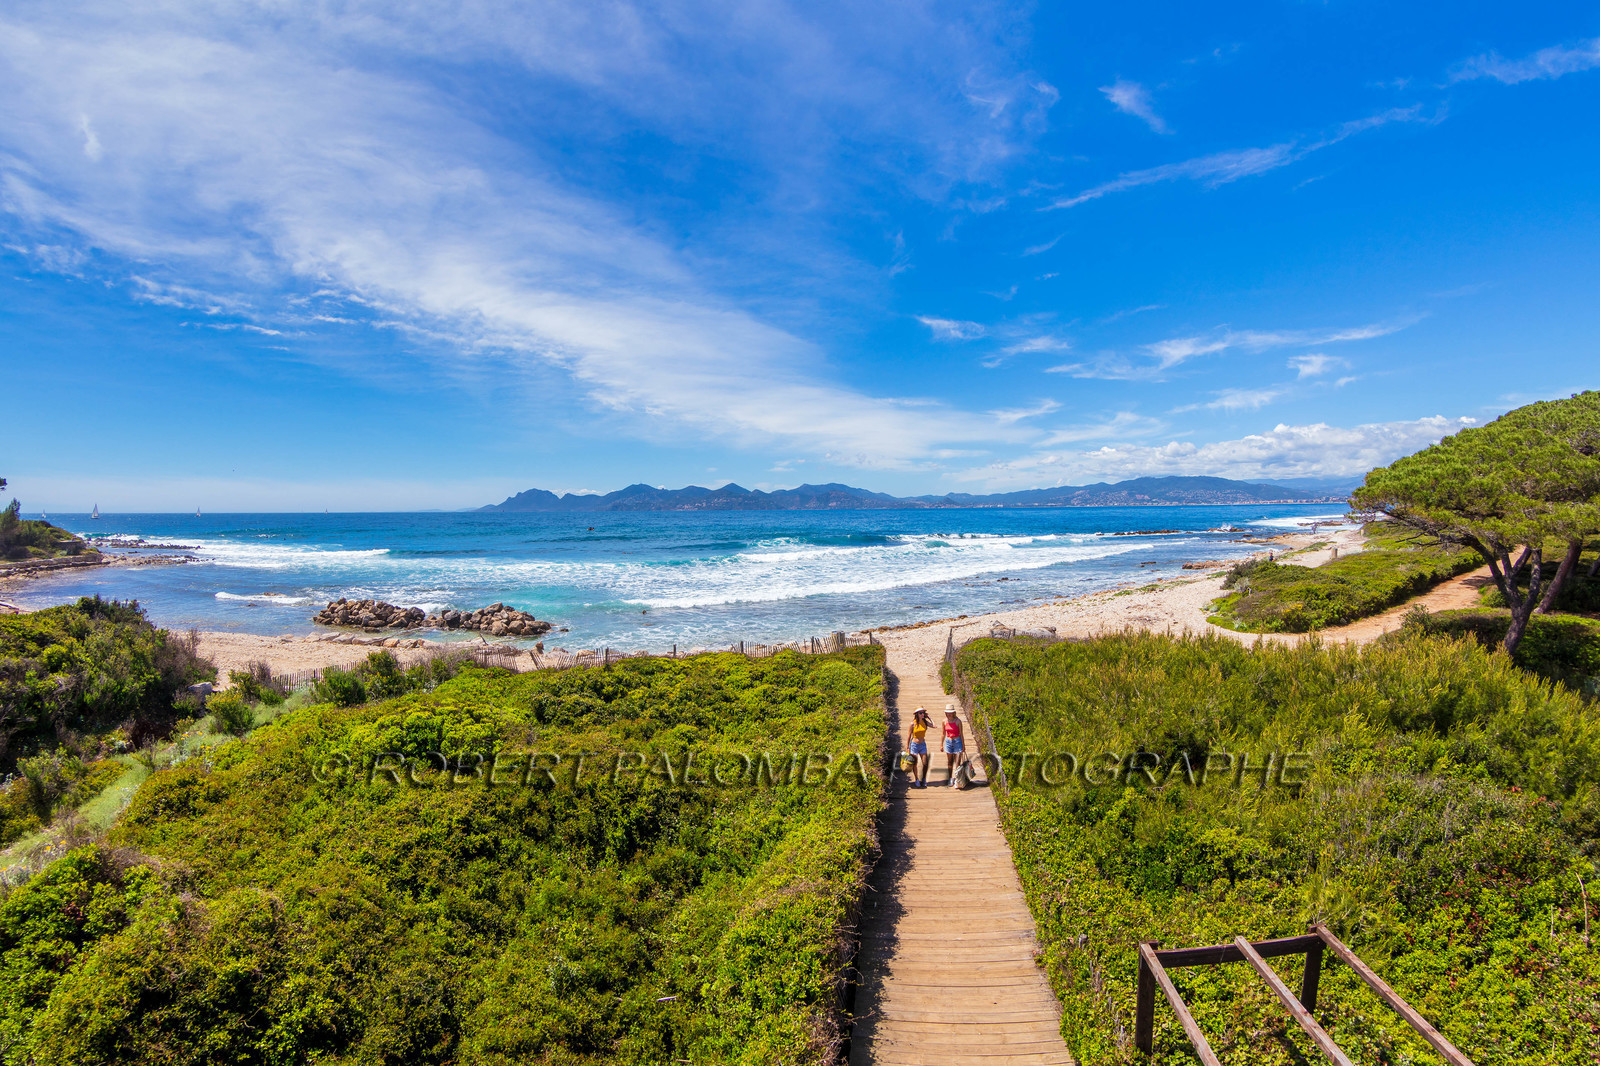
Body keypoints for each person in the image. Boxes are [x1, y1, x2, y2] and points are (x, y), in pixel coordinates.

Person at [906, 707, 932, 788]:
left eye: (923, 712)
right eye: (920, 713)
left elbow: (934, 726)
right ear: (917, 714)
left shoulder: (925, 722)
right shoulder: (912, 724)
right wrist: (907, 747)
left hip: (922, 744)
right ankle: (917, 779)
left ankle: (923, 779)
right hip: (914, 744)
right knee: (915, 763)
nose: (922, 714)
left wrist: (929, 718)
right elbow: (909, 736)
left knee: (925, 763)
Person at [942, 704, 965, 787]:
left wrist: (963, 745)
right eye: (947, 713)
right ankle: (950, 778)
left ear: (954, 713)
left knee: (957, 762)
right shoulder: (944, 721)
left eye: (950, 713)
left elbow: (961, 734)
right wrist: (941, 744)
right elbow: (943, 733)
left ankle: (957, 779)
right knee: (950, 762)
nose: (949, 714)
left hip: (957, 742)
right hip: (948, 741)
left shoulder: (958, 721)